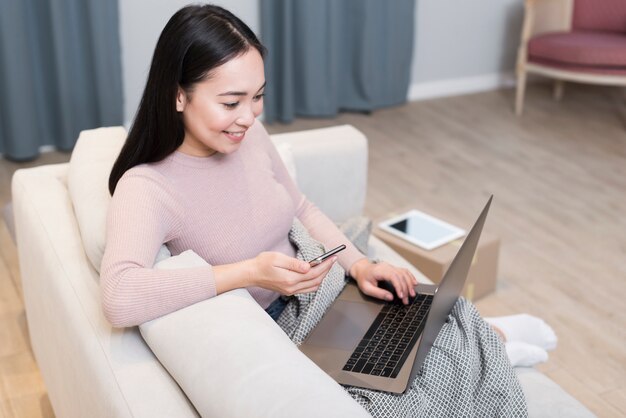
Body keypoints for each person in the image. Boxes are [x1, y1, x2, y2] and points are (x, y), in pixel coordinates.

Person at [101, 4, 556, 369]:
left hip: (323, 284)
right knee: (416, 364)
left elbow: (299, 205)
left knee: (417, 300)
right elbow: (119, 298)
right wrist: (247, 272)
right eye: (231, 102)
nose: (249, 116)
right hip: (287, 324)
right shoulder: (149, 187)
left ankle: (486, 338)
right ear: (178, 95)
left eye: (257, 96)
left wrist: (359, 265)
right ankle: (491, 348)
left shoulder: (249, 137)